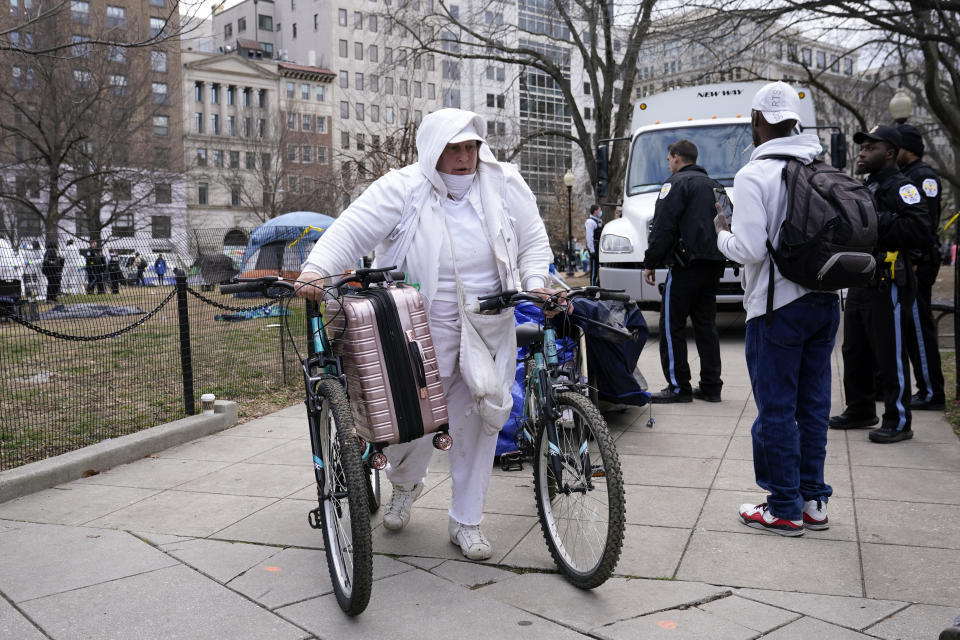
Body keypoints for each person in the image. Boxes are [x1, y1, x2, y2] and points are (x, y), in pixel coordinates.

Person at [295, 109, 554, 561]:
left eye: (470, 147)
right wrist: (317, 270)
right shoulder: (403, 187)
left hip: (487, 323)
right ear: (434, 150)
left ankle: (466, 520)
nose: (464, 158)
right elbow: (352, 231)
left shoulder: (505, 183)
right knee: (408, 423)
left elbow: (533, 241)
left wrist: (535, 282)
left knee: (480, 418)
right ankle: (404, 485)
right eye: (453, 149)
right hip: (417, 326)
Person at [713, 81, 841, 536]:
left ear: (758, 121)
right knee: (812, 406)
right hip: (825, 301)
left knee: (776, 409)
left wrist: (719, 233)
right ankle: (813, 501)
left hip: (776, 307)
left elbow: (748, 249)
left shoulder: (753, 176)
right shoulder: (821, 165)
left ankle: (783, 506)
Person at [829, 125, 929, 444]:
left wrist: (874, 218)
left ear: (889, 153)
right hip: (862, 279)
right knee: (854, 349)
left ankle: (898, 419)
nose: (862, 152)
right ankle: (860, 409)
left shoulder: (902, 187)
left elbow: (921, 230)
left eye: (870, 147)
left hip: (890, 280)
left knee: (890, 352)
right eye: (862, 147)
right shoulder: (867, 186)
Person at [643, 139, 726, 403]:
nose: (669, 163)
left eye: (669, 158)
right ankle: (711, 386)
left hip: (684, 266)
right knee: (705, 326)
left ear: (677, 157)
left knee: (672, 326)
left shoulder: (675, 184)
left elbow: (663, 226)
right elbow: (729, 222)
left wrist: (651, 261)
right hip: (713, 265)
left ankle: (679, 387)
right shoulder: (716, 186)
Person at [897, 123, 945, 411]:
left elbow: (924, 225)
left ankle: (930, 391)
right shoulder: (909, 175)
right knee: (912, 328)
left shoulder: (923, 178)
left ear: (908, 150)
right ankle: (926, 388)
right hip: (913, 260)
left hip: (919, 263)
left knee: (918, 327)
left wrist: (913, 259)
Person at [584, 204, 603, 286]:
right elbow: (589, 237)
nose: (600, 212)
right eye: (599, 210)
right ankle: (592, 287)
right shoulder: (590, 222)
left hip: (600, 247)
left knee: (600, 268)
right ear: (595, 211)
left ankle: (598, 285)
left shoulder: (598, 221)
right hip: (594, 247)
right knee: (594, 269)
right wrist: (592, 250)